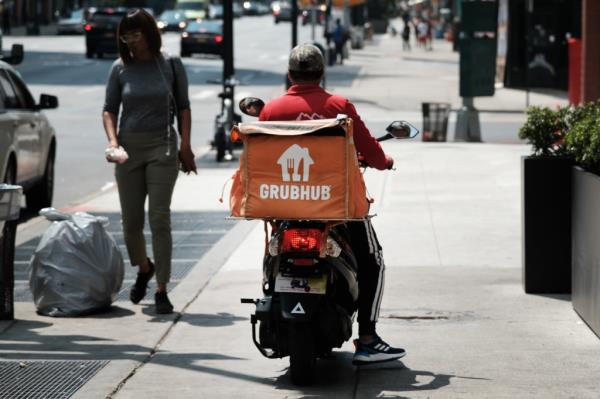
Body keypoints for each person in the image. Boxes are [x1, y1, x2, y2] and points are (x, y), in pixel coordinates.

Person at [259, 43, 406, 365]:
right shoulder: (338, 105)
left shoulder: (271, 110)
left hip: (287, 204)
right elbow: (372, 151)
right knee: (372, 261)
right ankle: (366, 337)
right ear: (321, 73)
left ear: (290, 74)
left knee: (272, 251)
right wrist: (383, 160)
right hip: (335, 205)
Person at [102, 8, 196, 314]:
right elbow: (109, 109)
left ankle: (161, 289)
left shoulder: (169, 63)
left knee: (159, 217)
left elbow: (183, 107)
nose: (130, 41)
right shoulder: (120, 68)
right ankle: (144, 268)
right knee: (130, 222)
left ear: (149, 33)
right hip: (128, 149)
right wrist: (113, 142)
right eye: (125, 36)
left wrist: (186, 147)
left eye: (135, 34)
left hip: (163, 146)